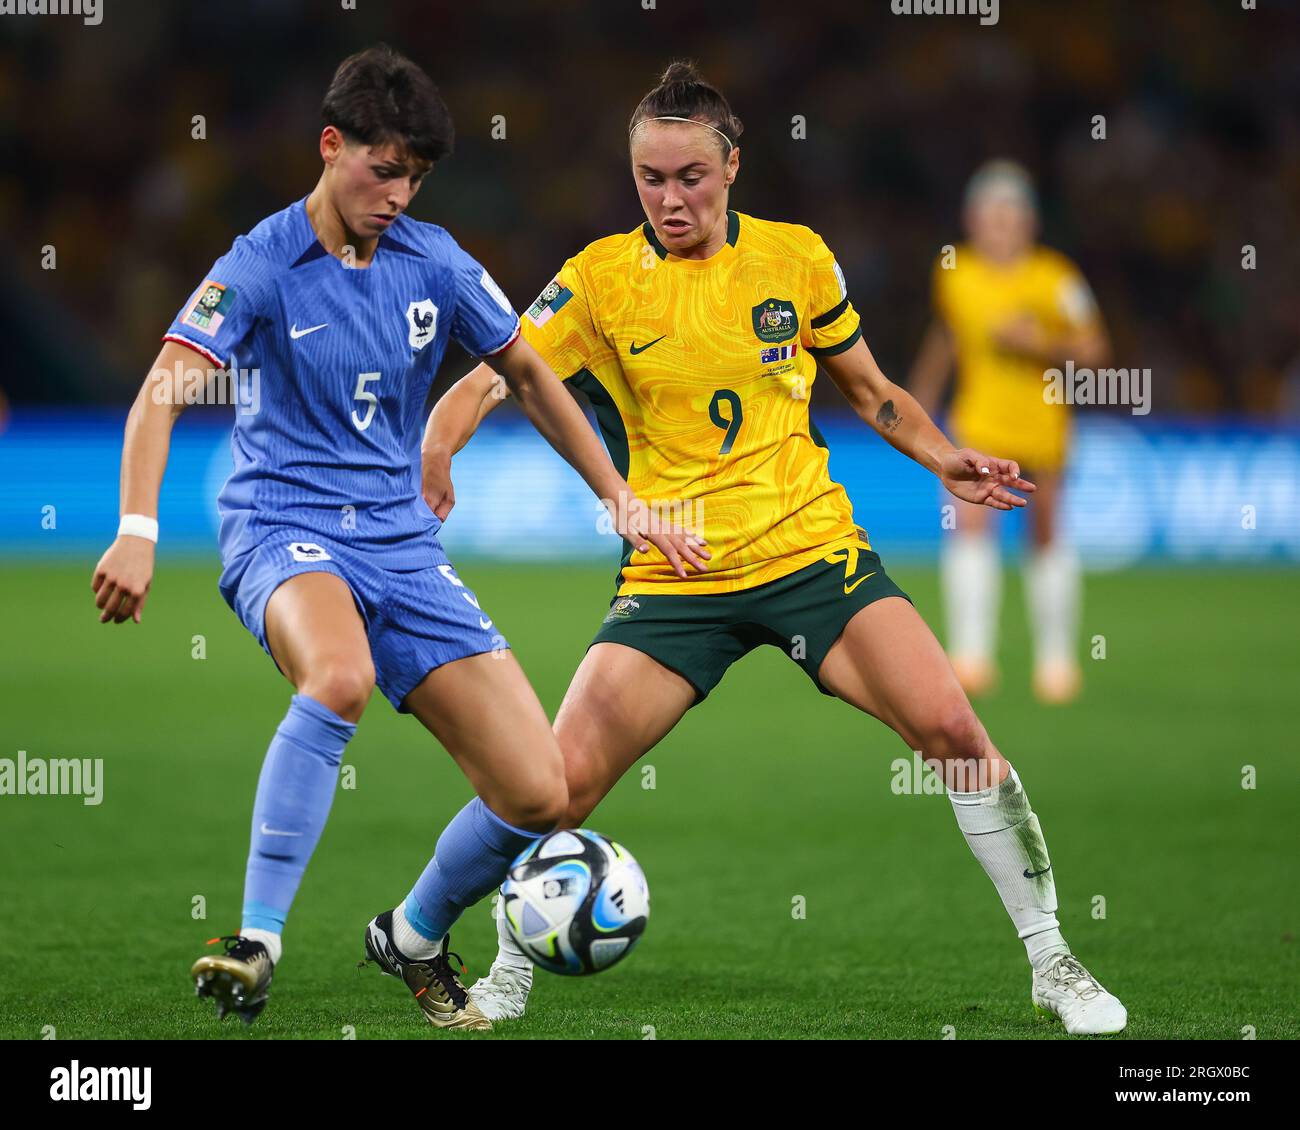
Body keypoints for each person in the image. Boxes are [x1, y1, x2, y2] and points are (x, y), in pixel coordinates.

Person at [424, 62, 1126, 1036]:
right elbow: (492, 378)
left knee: (955, 733)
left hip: (810, 553)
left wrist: (943, 456)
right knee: (554, 784)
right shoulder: (596, 280)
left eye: (690, 177)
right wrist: (435, 447)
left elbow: (872, 390)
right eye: (650, 178)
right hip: (677, 572)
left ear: (732, 168)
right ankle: (509, 973)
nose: (670, 198)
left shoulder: (796, 259)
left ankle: (1053, 961)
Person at [89, 45, 704, 1032]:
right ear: (330, 146)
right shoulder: (260, 262)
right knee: (338, 677)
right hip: (283, 528)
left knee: (538, 791)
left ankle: (411, 935)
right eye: (384, 171)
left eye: (415, 176)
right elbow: (162, 391)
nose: (398, 195)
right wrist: (136, 529)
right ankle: (255, 940)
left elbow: (530, 371)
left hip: (402, 546)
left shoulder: (437, 260)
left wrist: (618, 496)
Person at [908, 160, 1110, 703]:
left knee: (1045, 534)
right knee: (970, 527)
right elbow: (949, 334)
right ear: (972, 219)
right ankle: (971, 657)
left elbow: (1095, 350)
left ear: (1029, 221)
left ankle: (1056, 661)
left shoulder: (1055, 277)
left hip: (1042, 425)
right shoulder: (956, 272)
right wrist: (919, 398)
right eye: (989, 214)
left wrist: (1039, 343)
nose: (998, 224)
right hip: (979, 423)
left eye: (1009, 214)